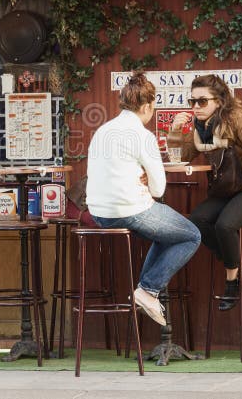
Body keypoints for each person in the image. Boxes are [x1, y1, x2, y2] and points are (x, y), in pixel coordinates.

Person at [86, 71, 201, 326]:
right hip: (130, 210)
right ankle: (148, 290)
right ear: (148, 106)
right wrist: (146, 179)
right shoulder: (143, 136)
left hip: (99, 213)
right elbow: (159, 190)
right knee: (191, 235)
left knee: (166, 232)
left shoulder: (102, 131)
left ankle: (147, 291)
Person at [168, 74, 242, 310]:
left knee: (224, 225)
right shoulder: (200, 127)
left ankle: (231, 284)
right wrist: (175, 130)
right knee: (196, 221)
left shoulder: (234, 117)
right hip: (228, 191)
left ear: (219, 100)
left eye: (202, 101)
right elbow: (184, 156)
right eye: (192, 101)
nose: (196, 107)